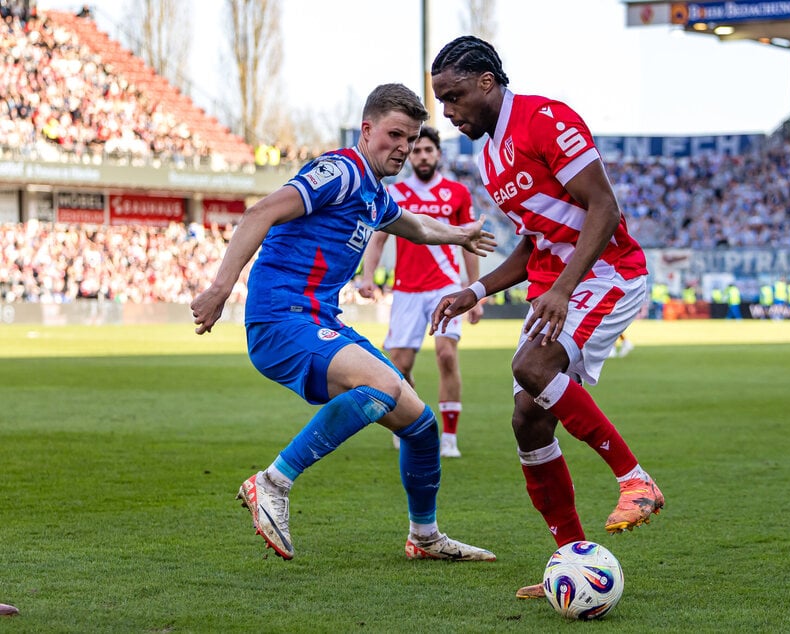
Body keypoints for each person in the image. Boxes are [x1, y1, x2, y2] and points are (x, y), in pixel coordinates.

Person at [190, 83, 497, 563]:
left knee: (419, 424)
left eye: (411, 138)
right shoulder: (340, 172)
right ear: (367, 129)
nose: (403, 147)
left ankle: (425, 536)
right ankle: (271, 482)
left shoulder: (375, 193)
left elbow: (414, 226)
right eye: (395, 134)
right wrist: (220, 289)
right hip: (282, 320)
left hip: (318, 320)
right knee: (382, 387)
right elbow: (260, 213)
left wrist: (459, 234)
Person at [429, 36, 664, 600]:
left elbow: (605, 209)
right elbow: (533, 244)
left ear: (487, 81)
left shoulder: (545, 119)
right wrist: (476, 288)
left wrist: (559, 289)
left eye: (454, 96)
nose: (448, 112)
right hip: (561, 285)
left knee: (532, 366)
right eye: (441, 101)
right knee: (527, 421)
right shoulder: (489, 155)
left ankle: (636, 480)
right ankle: (575, 560)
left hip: (607, 275)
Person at [359, 125, 483, 458]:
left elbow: (469, 245)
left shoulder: (457, 193)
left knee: (446, 354)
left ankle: (450, 437)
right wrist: (368, 275)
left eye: (428, 150)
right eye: (417, 150)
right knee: (398, 365)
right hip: (407, 291)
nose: (423, 156)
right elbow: (379, 238)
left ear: (438, 154)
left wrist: (475, 292)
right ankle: (407, 422)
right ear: (409, 155)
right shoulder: (395, 193)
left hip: (446, 287)